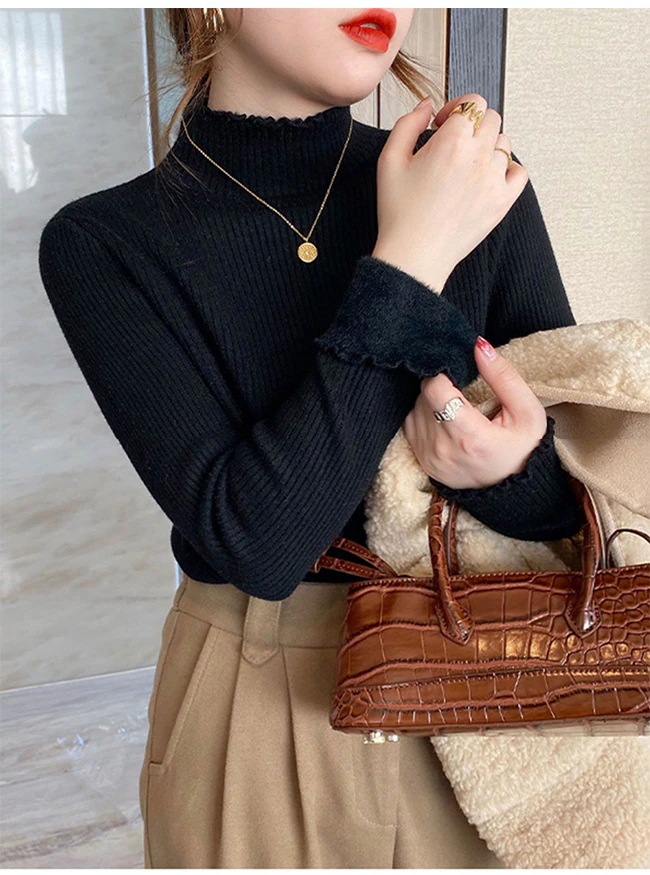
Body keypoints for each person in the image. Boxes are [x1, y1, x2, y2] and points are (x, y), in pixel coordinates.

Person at [37, 7, 586, 868]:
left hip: (484, 687)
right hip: (251, 703)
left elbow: (586, 499)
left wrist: (509, 474)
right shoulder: (104, 242)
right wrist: (410, 260)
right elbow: (261, 543)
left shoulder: (478, 185)